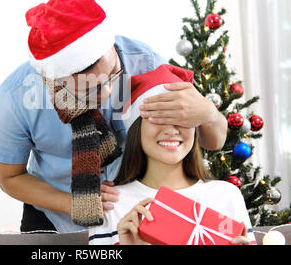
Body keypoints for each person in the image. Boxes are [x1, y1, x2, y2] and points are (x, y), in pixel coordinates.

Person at [0, 0, 228, 233]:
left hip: (137, 212)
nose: (108, 94)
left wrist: (208, 114)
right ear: (58, 81)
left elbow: (212, 142)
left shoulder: (146, 63)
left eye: (113, 75)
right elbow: (10, 177)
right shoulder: (16, 96)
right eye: (88, 91)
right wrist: (71, 204)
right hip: (55, 217)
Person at [87, 64, 257, 245]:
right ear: (137, 129)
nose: (171, 130)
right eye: (158, 118)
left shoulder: (226, 196)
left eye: (181, 119)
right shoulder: (110, 206)